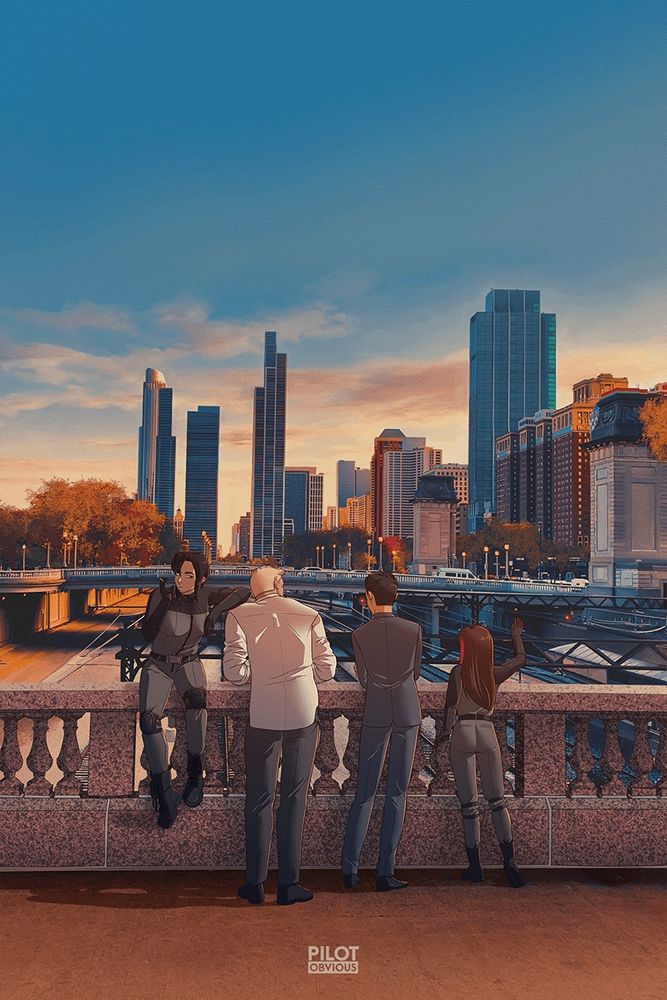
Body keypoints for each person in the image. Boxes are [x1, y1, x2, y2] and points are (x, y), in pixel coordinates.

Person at [223, 566, 336, 906]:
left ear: (253, 589)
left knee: (259, 799)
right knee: (294, 799)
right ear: (278, 584)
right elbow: (327, 669)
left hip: (264, 714)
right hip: (303, 713)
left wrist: (259, 668)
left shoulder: (238, 616)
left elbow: (235, 673)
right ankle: (289, 885)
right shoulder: (309, 615)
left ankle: (255, 884)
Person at [139, 551, 250, 829]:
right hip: (160, 664)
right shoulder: (161, 595)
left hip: (189, 662)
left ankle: (194, 776)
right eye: (178, 573)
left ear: (201, 579)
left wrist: (215, 610)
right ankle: (164, 795)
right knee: (149, 721)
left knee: (198, 700)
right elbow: (147, 633)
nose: (181, 579)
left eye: (188, 575)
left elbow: (243, 591)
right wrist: (163, 603)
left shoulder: (205, 596)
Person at [341, 571, 422, 892]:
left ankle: (349, 869)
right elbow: (415, 672)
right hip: (406, 711)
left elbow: (362, 679)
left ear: (368, 598)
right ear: (396, 597)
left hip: (376, 711)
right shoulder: (413, 629)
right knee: (397, 793)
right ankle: (385, 872)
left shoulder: (359, 634)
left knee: (365, 793)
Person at [442, 616, 526, 888]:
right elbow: (521, 659)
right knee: (497, 800)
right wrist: (516, 636)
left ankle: (475, 866)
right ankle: (509, 863)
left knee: (469, 804)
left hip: (464, 729)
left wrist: (443, 736)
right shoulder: (495, 672)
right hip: (487, 730)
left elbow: (449, 709)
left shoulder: (457, 673)